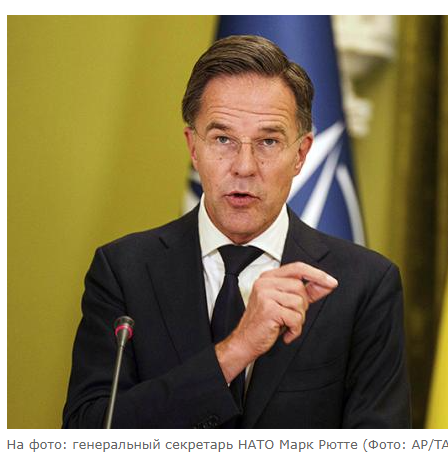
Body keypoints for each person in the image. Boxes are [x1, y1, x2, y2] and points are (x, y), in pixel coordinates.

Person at [62, 35, 411, 429]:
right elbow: (87, 434)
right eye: (223, 139)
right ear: (193, 148)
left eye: (268, 141)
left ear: (300, 154)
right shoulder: (124, 271)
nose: (244, 166)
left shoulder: (364, 285)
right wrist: (236, 350)